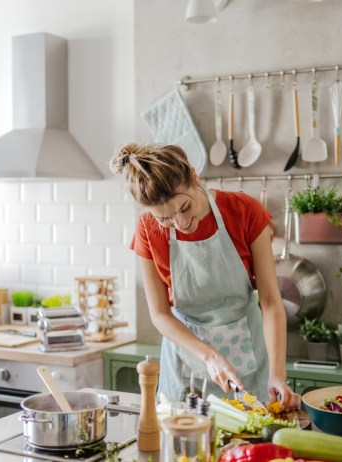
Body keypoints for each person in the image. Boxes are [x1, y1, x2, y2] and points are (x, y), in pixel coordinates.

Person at [110, 143, 301, 410]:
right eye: (165, 219)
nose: (180, 223)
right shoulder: (147, 230)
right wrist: (209, 356)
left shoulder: (244, 211)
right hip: (187, 364)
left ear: (194, 176)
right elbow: (160, 315)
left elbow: (270, 302)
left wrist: (277, 374)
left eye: (185, 208)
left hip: (249, 360)